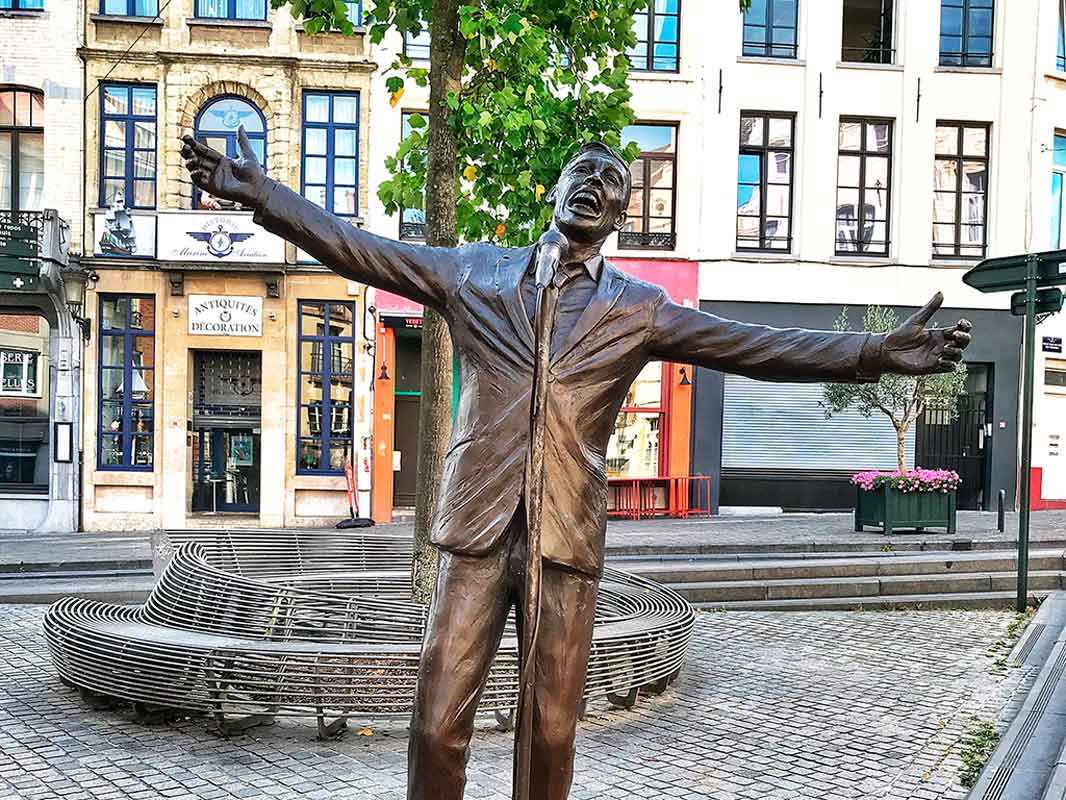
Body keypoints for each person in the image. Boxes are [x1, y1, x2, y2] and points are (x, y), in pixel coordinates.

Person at [181, 129, 972, 800]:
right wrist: (263, 197)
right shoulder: (476, 272)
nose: (593, 185)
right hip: (478, 527)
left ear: (622, 215)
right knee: (435, 721)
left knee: (550, 733)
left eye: (611, 182)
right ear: (554, 192)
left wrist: (872, 351)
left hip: (565, 535)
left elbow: (759, 347)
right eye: (581, 173)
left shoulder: (640, 308)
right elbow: (363, 252)